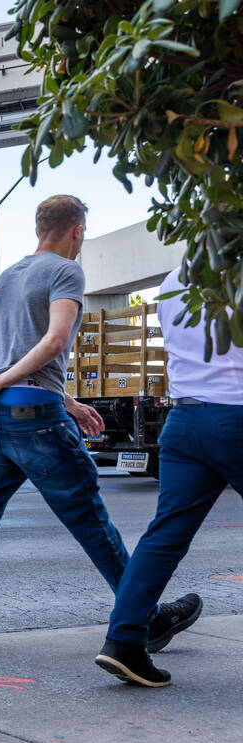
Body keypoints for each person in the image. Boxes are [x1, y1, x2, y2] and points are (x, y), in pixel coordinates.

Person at [0, 194, 200, 655]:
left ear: (39, 227)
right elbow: (55, 339)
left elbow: (14, 354)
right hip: (32, 418)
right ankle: (147, 620)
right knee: (91, 521)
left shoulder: (9, 275)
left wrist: (68, 400)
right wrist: (23, 387)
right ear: (77, 230)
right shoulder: (67, 270)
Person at [94, 268, 243, 686]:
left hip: (184, 420)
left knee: (164, 536)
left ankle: (123, 641)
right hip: (236, 415)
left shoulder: (173, 281)